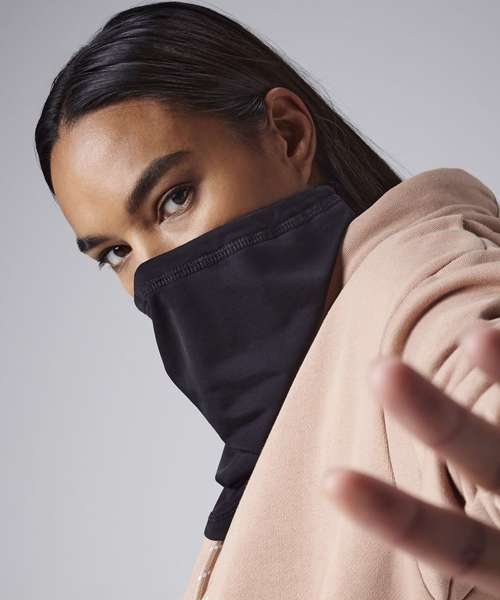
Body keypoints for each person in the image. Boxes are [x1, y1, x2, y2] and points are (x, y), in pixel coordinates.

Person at [34, 2, 500, 599]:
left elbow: (469, 362)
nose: (156, 274)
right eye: (116, 253)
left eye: (175, 199)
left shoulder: (418, 298)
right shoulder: (288, 397)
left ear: (288, 134)